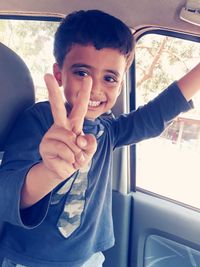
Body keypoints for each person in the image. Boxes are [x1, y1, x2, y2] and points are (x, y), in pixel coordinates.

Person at [0, 9, 199, 267]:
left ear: (120, 84)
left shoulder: (109, 131)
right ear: (59, 74)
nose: (93, 87)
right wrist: (49, 171)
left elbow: (156, 114)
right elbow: (6, 193)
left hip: (89, 258)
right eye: (82, 73)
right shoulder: (37, 120)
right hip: (28, 259)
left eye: (109, 78)